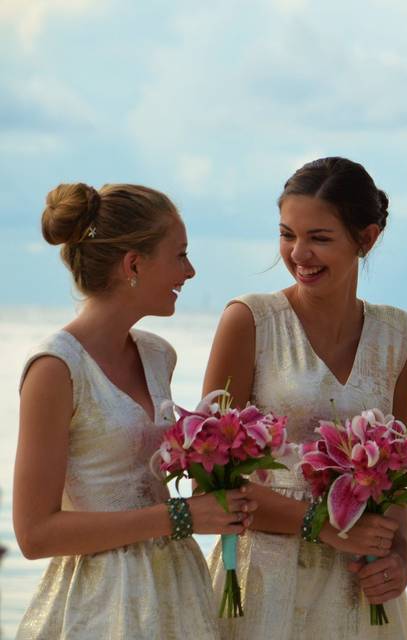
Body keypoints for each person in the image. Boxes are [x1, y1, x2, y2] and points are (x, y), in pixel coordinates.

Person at [14, 182, 254, 639]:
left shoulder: (158, 354)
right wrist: (183, 517)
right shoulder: (55, 369)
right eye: (180, 255)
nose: (191, 271)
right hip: (101, 604)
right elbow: (34, 534)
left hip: (178, 592)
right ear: (134, 264)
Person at [203, 157, 407, 639]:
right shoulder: (250, 320)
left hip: (358, 584)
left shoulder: (401, 334)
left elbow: (396, 475)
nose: (299, 253)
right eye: (287, 235)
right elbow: (210, 481)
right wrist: (323, 525)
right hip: (265, 580)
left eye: (319, 238)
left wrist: (400, 557)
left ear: (367, 238)